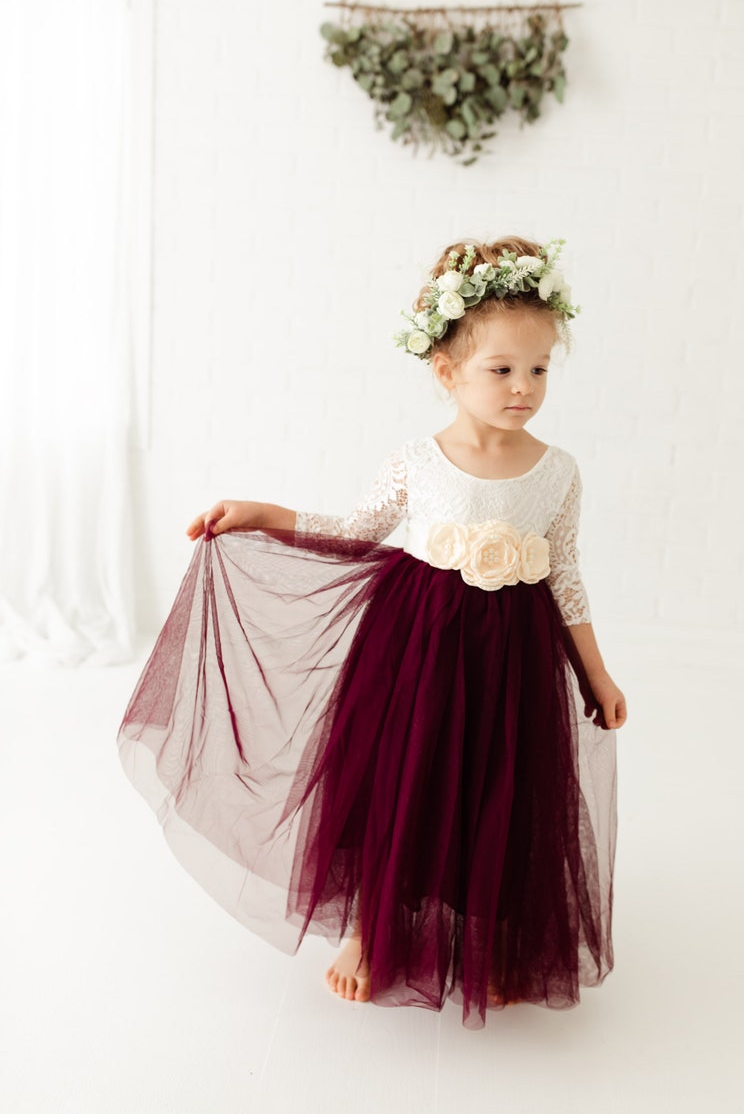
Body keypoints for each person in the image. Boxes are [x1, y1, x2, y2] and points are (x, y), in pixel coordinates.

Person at [118, 236, 627, 1031]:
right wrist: (263, 513)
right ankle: (368, 928)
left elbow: (565, 574)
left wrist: (597, 674)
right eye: (502, 368)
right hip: (420, 648)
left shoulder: (557, 470)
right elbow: (356, 529)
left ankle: (485, 933)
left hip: (513, 660)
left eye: (539, 369)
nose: (523, 386)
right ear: (447, 371)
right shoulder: (419, 462)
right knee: (407, 781)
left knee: (499, 786)